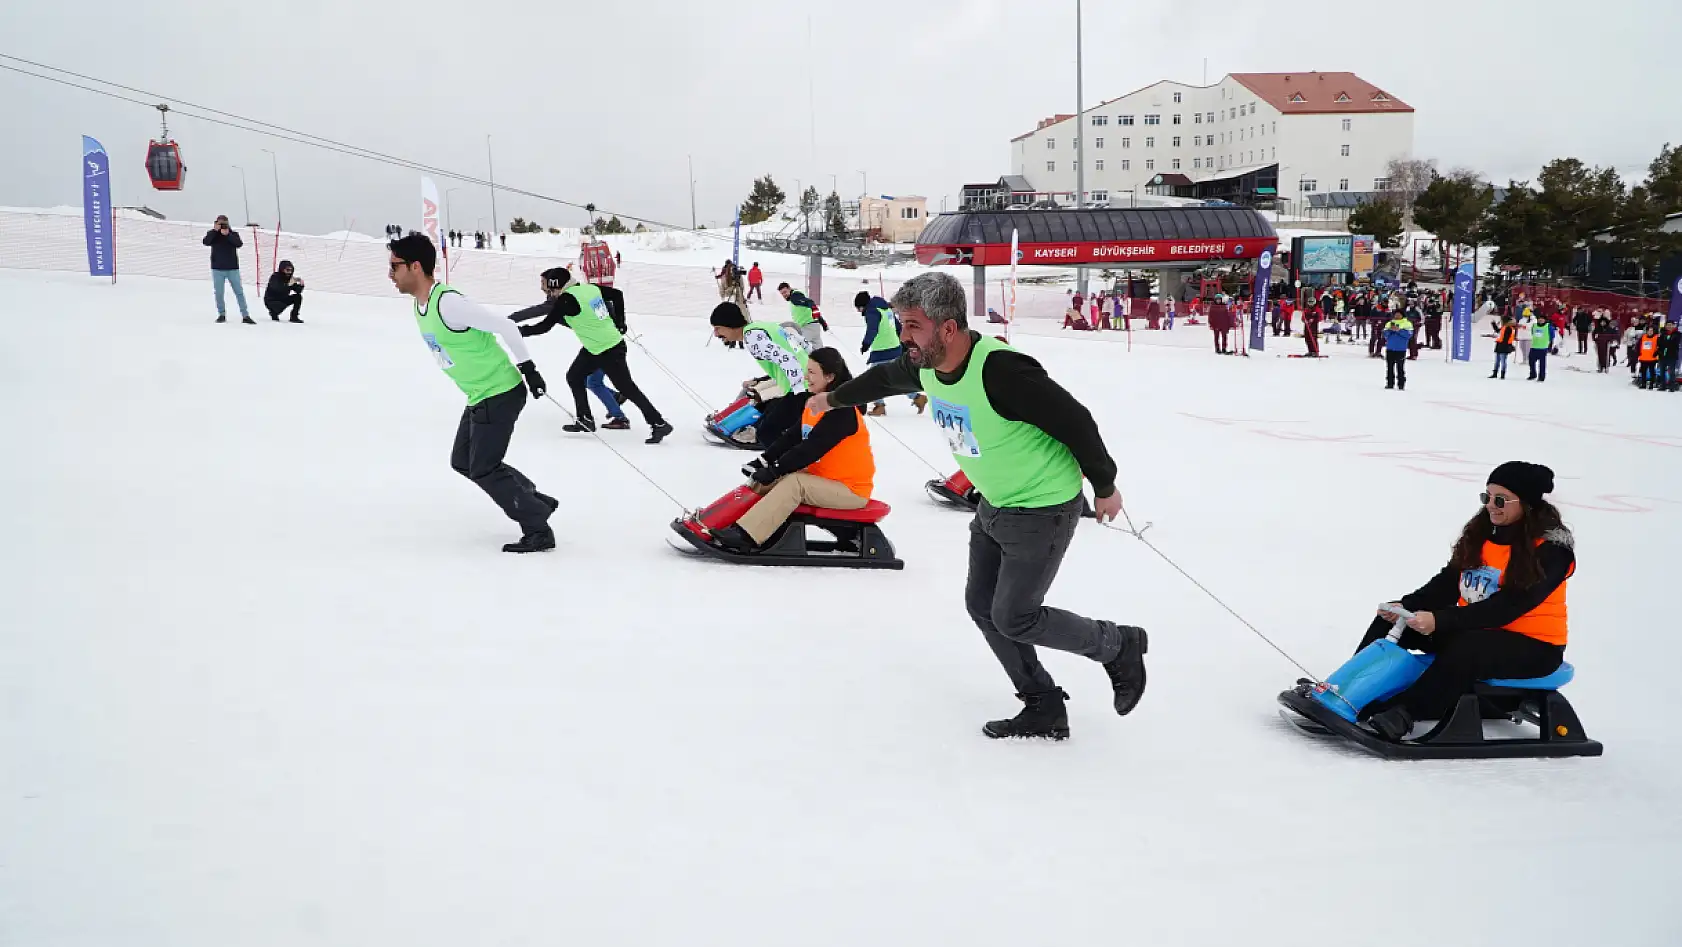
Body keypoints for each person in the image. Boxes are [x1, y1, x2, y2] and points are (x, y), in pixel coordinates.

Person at [806, 272, 1148, 742]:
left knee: (1015, 616)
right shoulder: (923, 363)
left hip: (1043, 507)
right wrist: (833, 397)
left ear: (948, 328)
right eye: (901, 325)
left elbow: (1076, 420)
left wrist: (1105, 485)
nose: (903, 336)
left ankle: (1117, 644)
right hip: (994, 505)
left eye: (912, 326)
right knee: (982, 607)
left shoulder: (1003, 371)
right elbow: (883, 379)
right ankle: (1042, 703)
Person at [1361, 462, 1574, 741]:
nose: (1491, 506)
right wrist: (1406, 606)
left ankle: (1404, 714)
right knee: (1395, 621)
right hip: (1476, 631)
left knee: (1469, 646)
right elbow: (1447, 584)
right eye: (1486, 497)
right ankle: (1349, 693)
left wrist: (1440, 620)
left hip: (1535, 648)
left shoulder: (1552, 552)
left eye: (1500, 500)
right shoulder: (1482, 535)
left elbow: (1507, 607)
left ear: (1527, 503)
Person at [387, 234, 555, 553]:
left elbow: (505, 326)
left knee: (484, 467)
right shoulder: (420, 306)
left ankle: (537, 527)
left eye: (395, 266)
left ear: (416, 266)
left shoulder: (448, 303)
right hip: (480, 394)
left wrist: (529, 369)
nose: (391, 274)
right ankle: (531, 499)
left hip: (500, 391)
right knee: (463, 460)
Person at [708, 348, 876, 552]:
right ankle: (720, 521)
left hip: (850, 489)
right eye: (807, 371)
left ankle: (746, 535)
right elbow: (792, 437)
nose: (806, 377)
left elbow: (810, 449)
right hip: (824, 479)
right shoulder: (815, 403)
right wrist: (764, 461)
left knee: (793, 483)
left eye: (812, 372)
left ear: (830, 377)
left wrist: (774, 470)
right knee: (761, 482)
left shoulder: (843, 412)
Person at [515, 268, 672, 442]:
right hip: (596, 348)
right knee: (574, 376)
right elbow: (617, 295)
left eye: (552, 290)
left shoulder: (566, 300)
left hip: (609, 349)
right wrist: (620, 322)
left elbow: (544, 327)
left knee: (627, 388)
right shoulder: (589, 288)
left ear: (558, 287)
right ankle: (585, 419)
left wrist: (519, 331)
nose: (551, 294)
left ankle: (659, 424)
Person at [709, 301, 810, 446]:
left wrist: (799, 391)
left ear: (730, 324)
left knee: (767, 431)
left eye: (718, 328)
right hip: (806, 382)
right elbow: (802, 343)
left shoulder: (752, 338)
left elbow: (786, 358)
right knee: (768, 419)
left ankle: (786, 461)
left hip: (800, 388)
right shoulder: (763, 327)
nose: (716, 334)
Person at [855, 291, 927, 416]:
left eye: (859, 308)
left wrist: (866, 343)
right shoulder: (885, 309)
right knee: (896, 377)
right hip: (894, 347)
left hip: (883, 350)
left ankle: (880, 406)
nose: (859, 311)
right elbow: (898, 326)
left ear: (863, 305)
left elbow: (873, 329)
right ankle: (917, 397)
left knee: (874, 378)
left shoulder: (872, 311)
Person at [203, 214, 251, 324]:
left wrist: (228, 234)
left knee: (239, 292)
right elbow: (206, 242)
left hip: (232, 268)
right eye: (220, 223)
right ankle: (221, 314)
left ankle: (245, 315)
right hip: (217, 269)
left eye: (224, 223)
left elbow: (239, 244)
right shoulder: (213, 234)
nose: (222, 225)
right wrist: (215, 231)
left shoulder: (233, 234)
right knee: (219, 293)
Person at [777, 282, 824, 349]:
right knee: (819, 351)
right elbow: (811, 308)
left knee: (799, 348)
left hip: (808, 327)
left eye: (785, 292)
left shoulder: (794, 296)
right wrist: (823, 323)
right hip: (814, 327)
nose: (784, 295)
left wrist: (814, 308)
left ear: (789, 289)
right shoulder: (796, 296)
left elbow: (810, 302)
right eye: (782, 293)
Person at [1382, 312, 1413, 390]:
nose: (1397, 316)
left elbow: (1409, 335)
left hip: (1401, 349)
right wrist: (1391, 330)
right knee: (1389, 367)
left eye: (1399, 314)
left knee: (1400, 367)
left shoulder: (1407, 323)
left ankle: (1401, 384)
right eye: (1396, 314)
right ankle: (1390, 383)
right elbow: (1385, 334)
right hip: (1390, 348)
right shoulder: (1389, 323)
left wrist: (1399, 330)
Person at [1526, 312, 1555, 382]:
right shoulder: (1534, 326)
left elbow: (1552, 336)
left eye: (1542, 319)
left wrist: (1549, 345)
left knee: (1542, 364)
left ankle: (1541, 377)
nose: (1540, 320)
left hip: (1543, 348)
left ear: (1545, 320)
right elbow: (1532, 333)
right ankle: (1533, 374)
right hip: (1534, 347)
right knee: (1531, 362)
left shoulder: (1548, 327)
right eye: (1539, 319)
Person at [1657, 322, 1680, 392]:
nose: (1669, 326)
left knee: (1671, 372)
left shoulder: (1677, 334)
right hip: (1662, 356)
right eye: (1668, 325)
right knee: (1661, 371)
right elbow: (1659, 343)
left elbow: (1674, 344)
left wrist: (1666, 343)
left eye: (1670, 325)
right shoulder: (1662, 334)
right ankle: (1662, 385)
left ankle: (1671, 386)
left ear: (1673, 326)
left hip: (1671, 356)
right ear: (1666, 326)